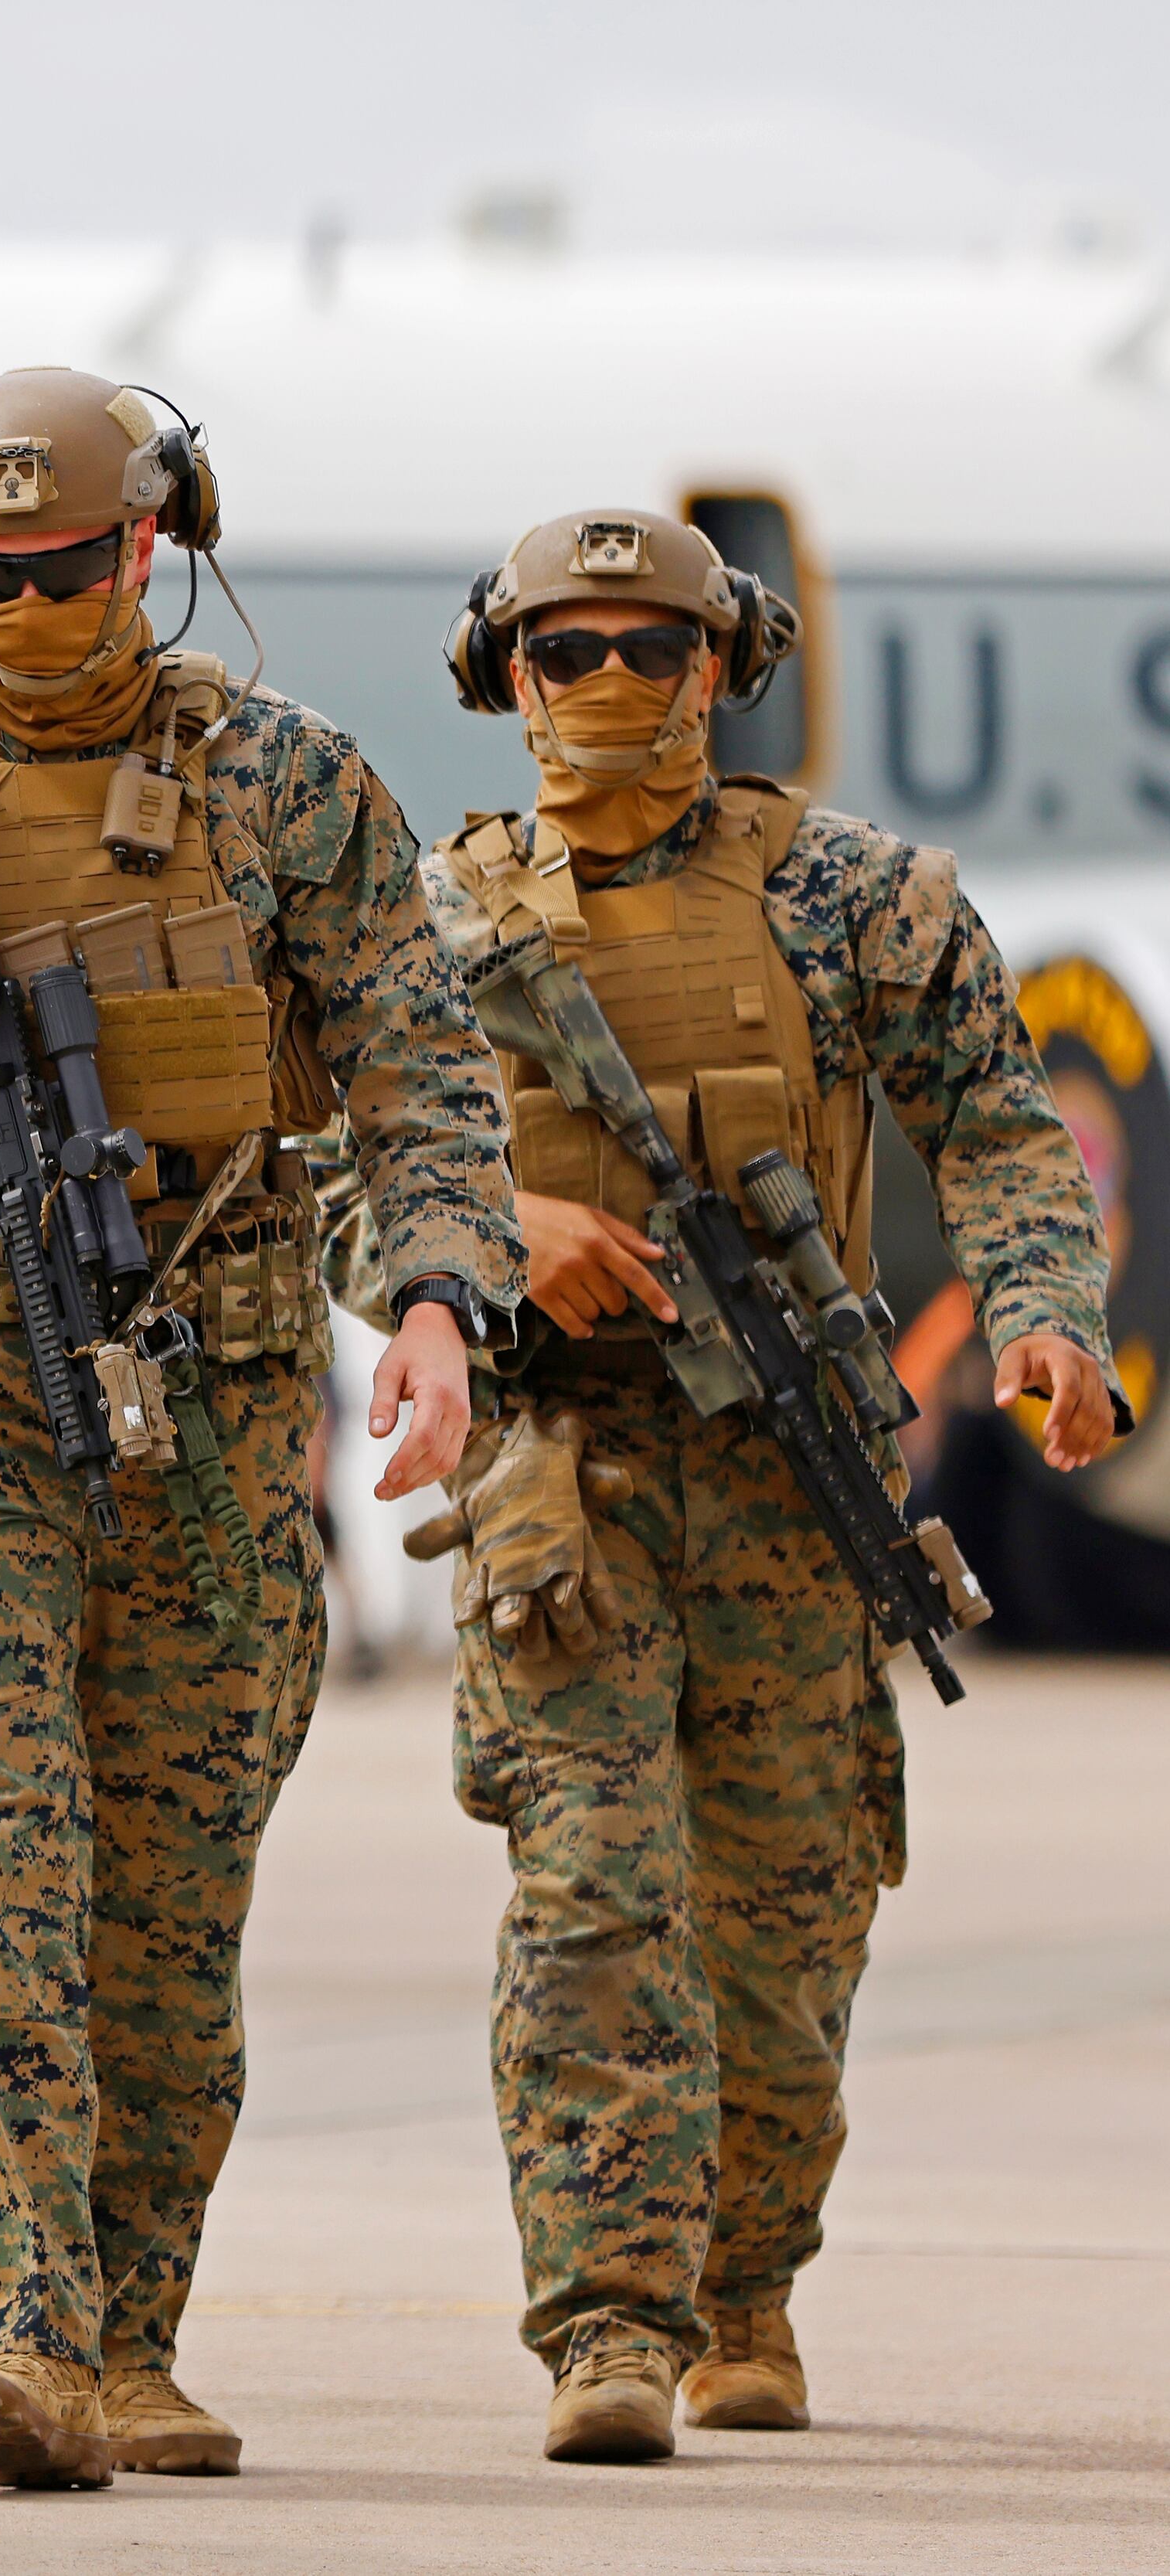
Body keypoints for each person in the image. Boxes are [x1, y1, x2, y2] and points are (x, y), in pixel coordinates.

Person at [0, 366, 521, 2489]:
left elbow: (423, 1064)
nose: (23, 601)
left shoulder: (290, 786)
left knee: (172, 1883)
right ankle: (25, 2331)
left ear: (152, 542)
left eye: (62, 565)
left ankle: (134, 2327)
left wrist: (432, 1298)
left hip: (217, 1402)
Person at [406, 508, 1118, 2463]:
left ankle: (746, 2291)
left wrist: (1047, 1315)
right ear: (507, 672)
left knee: (788, 1920)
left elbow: (997, 1111)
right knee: (590, 1898)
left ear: (723, 669)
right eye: (570, 652)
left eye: (658, 649)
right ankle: (607, 2326)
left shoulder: (853, 897)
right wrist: (494, 1222)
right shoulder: (434, 916)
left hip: (792, 1481)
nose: (616, 686)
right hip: (564, 1470)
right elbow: (308, 1152)